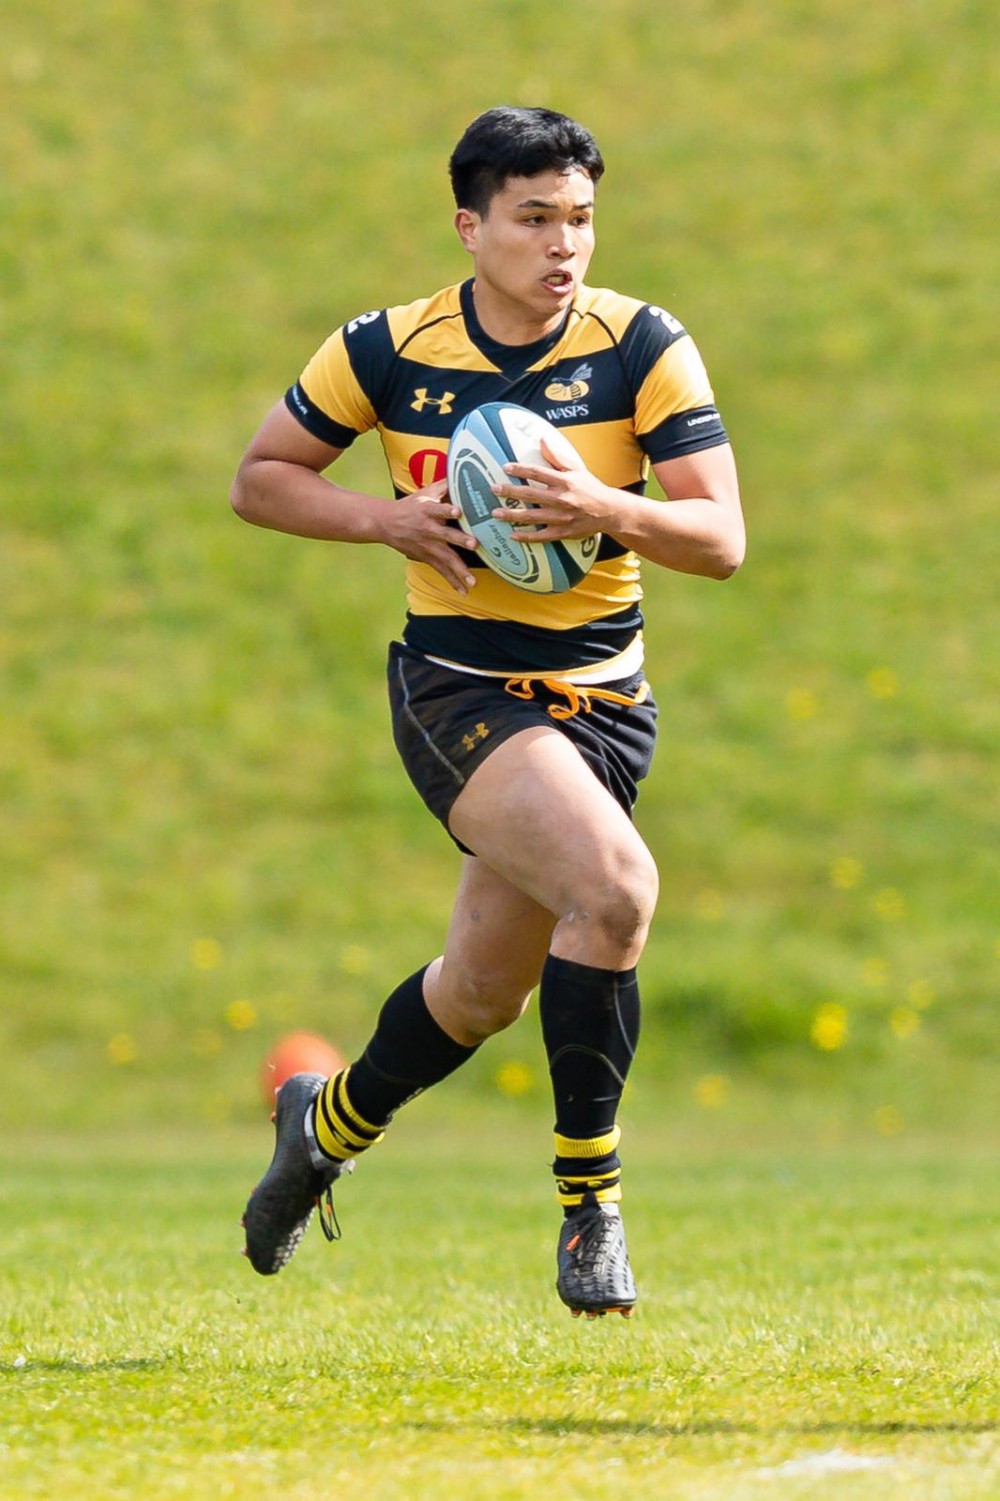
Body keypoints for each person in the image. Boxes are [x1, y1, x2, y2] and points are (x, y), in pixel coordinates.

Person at [233, 105, 745, 1317]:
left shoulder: (641, 345)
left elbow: (719, 537)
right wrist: (385, 519)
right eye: (533, 218)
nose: (563, 243)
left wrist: (604, 509)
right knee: (614, 890)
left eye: (580, 218)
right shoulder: (385, 348)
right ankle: (589, 1206)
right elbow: (261, 478)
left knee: (478, 992)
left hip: (605, 703)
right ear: (469, 227)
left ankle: (322, 1127)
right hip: (458, 689)